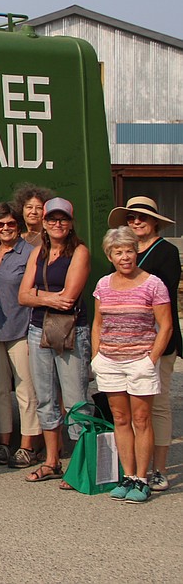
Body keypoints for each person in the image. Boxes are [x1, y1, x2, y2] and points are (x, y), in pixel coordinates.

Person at [91, 226, 173, 503]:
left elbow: (166, 326)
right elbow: (98, 324)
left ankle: (142, 478)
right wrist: (96, 357)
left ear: (136, 251)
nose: (124, 256)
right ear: (110, 255)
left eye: (129, 250)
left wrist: (150, 360)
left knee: (141, 420)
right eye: (118, 252)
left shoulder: (153, 284)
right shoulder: (102, 284)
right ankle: (127, 476)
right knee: (121, 419)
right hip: (110, 361)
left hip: (140, 361)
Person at [107, 196, 180, 491]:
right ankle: (135, 470)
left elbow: (164, 302)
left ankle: (158, 468)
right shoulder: (126, 252)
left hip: (156, 344)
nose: (136, 222)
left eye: (142, 218)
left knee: (157, 408)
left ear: (154, 222)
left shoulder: (167, 252)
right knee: (130, 413)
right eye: (131, 218)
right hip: (125, 347)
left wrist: (152, 353)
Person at [18, 197, 90, 484]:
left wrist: (38, 296)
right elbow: (22, 296)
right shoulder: (39, 253)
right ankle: (52, 461)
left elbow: (70, 298)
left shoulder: (80, 252)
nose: (56, 224)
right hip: (39, 330)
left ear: (71, 223)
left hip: (71, 330)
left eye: (62, 219)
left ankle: (81, 465)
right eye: (51, 219)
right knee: (45, 398)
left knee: (75, 402)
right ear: (44, 224)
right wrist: (48, 298)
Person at [0, 202, 40, 469]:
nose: (5, 228)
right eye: (0, 225)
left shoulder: (31, 253)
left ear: (18, 226)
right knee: (0, 391)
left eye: (10, 224)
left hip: (22, 330)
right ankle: (4, 443)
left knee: (26, 391)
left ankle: (27, 446)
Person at [14, 183, 52, 247]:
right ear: (21, 209)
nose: (34, 212)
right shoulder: (16, 238)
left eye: (39, 208)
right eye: (29, 207)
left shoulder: (50, 238)